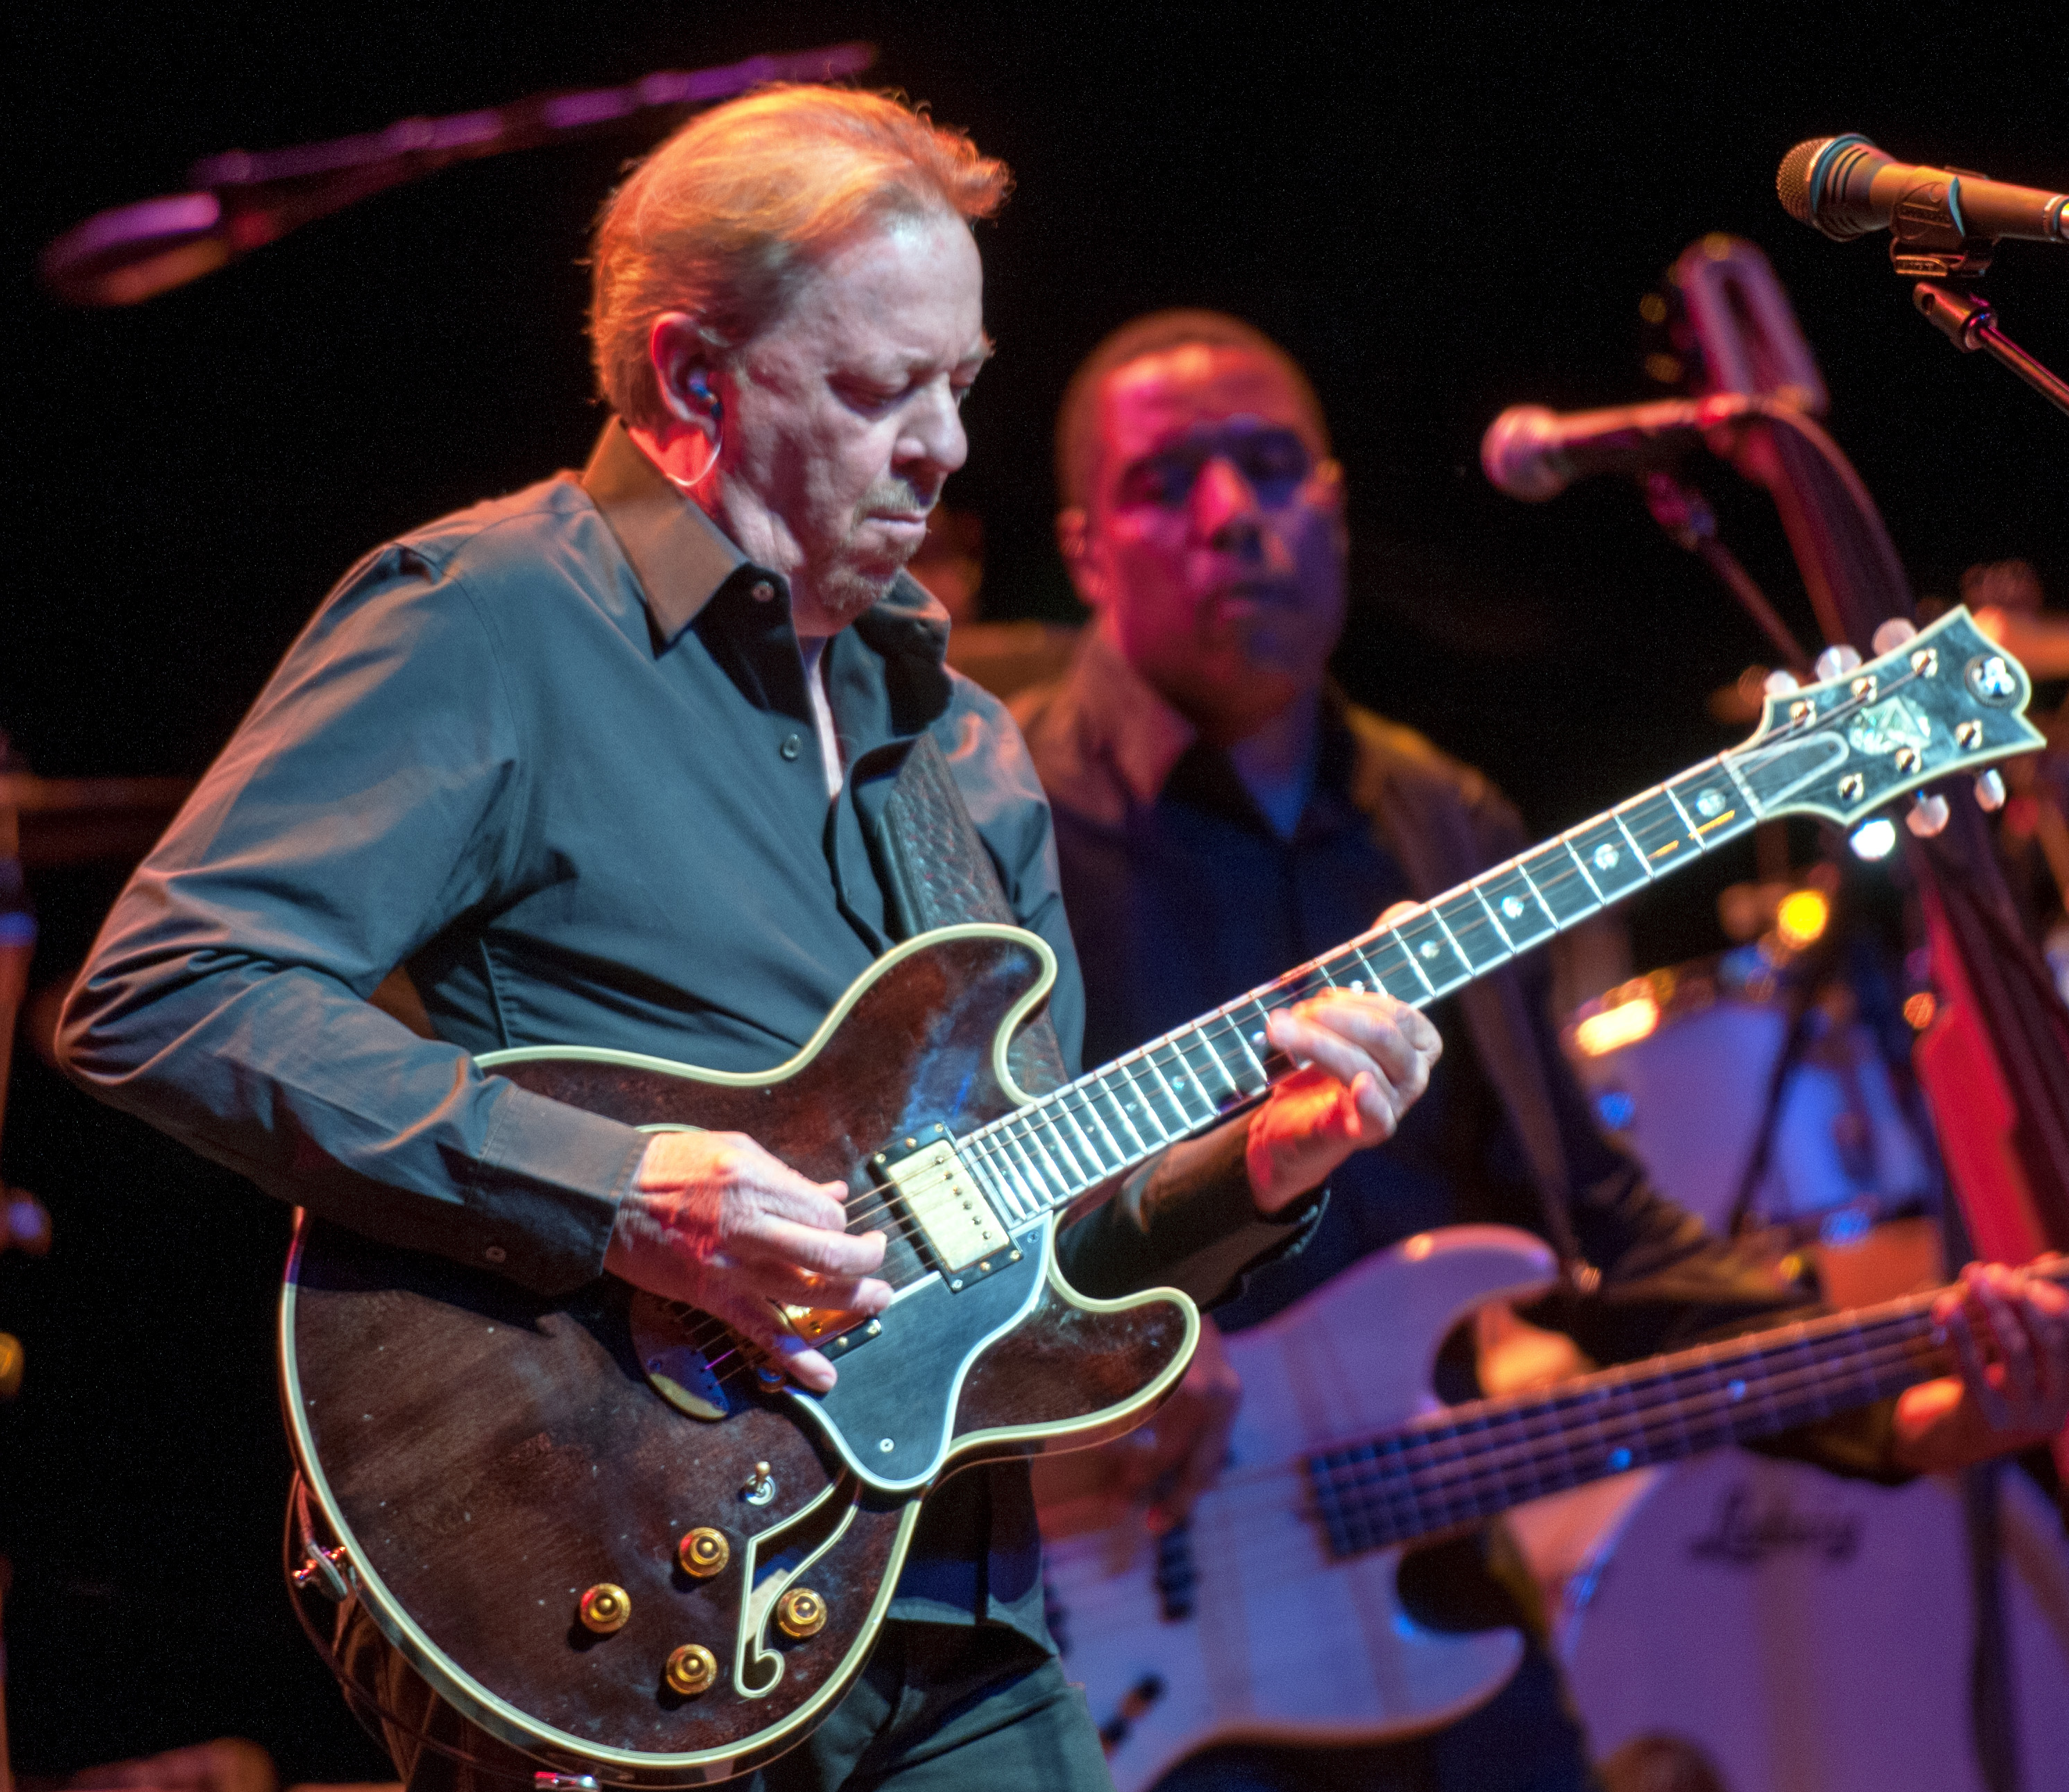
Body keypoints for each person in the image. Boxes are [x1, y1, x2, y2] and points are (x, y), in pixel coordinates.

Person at [54, 96, 1444, 1791]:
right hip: (608, 1596)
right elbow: (164, 991)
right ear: (696, 379)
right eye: (880, 388)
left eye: (961, 384)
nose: (939, 445)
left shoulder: (965, 749)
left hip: (955, 1626)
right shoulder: (488, 618)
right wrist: (623, 1197)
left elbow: (1045, 1236)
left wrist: (1262, 1169)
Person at [1014, 308, 2069, 1791]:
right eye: (1164, 481)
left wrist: (1909, 1400)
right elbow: (904, 1199)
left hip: (1419, 1583)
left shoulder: (1443, 826)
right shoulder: (996, 826)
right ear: (1082, 550)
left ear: (1330, 501)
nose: (1227, 516)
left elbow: (1601, 1240)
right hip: (1080, 1607)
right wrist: (1084, 1367)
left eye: (1267, 468)